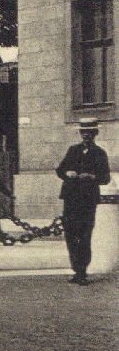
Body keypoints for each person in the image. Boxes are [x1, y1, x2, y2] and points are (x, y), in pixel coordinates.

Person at [56, 117, 110, 285]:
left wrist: (92, 176)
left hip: (88, 200)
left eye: (90, 133)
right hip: (71, 199)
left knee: (84, 235)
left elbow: (105, 178)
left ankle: (82, 271)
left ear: (95, 134)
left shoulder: (100, 153)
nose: (86, 135)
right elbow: (59, 170)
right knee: (71, 235)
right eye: (83, 132)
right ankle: (76, 269)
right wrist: (67, 174)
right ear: (80, 133)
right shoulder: (73, 150)